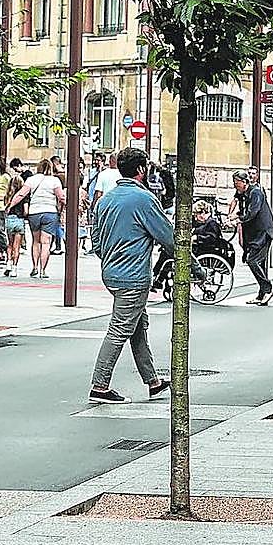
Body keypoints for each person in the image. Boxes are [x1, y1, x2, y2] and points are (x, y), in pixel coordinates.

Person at [88, 147, 173, 404]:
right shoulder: (144, 200)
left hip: (112, 274)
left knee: (136, 327)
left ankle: (153, 382)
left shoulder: (105, 201)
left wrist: (112, 259)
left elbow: (96, 242)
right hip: (133, 277)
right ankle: (99, 386)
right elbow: (168, 238)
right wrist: (195, 269)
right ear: (141, 169)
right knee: (119, 330)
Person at [6, 158, 65, 279]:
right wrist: (62, 208)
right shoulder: (55, 180)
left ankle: (35, 267)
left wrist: (9, 205)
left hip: (34, 213)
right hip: (50, 212)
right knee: (46, 242)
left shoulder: (31, 179)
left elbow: (21, 194)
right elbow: (61, 197)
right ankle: (43, 270)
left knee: (36, 241)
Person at [231, 169, 273, 305]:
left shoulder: (255, 192)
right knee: (260, 263)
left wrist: (238, 219)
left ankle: (267, 289)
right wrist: (234, 215)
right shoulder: (244, 193)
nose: (234, 185)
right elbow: (242, 209)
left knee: (253, 261)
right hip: (254, 233)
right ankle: (262, 295)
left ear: (244, 182)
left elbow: (253, 212)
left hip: (263, 232)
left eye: (236, 182)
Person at [3, 174, 28, 277]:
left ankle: (8, 263)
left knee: (10, 244)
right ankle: (14, 269)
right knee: (16, 246)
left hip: (10, 220)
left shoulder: (8, 196)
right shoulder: (24, 197)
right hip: (19, 220)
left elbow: (5, 207)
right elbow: (26, 211)